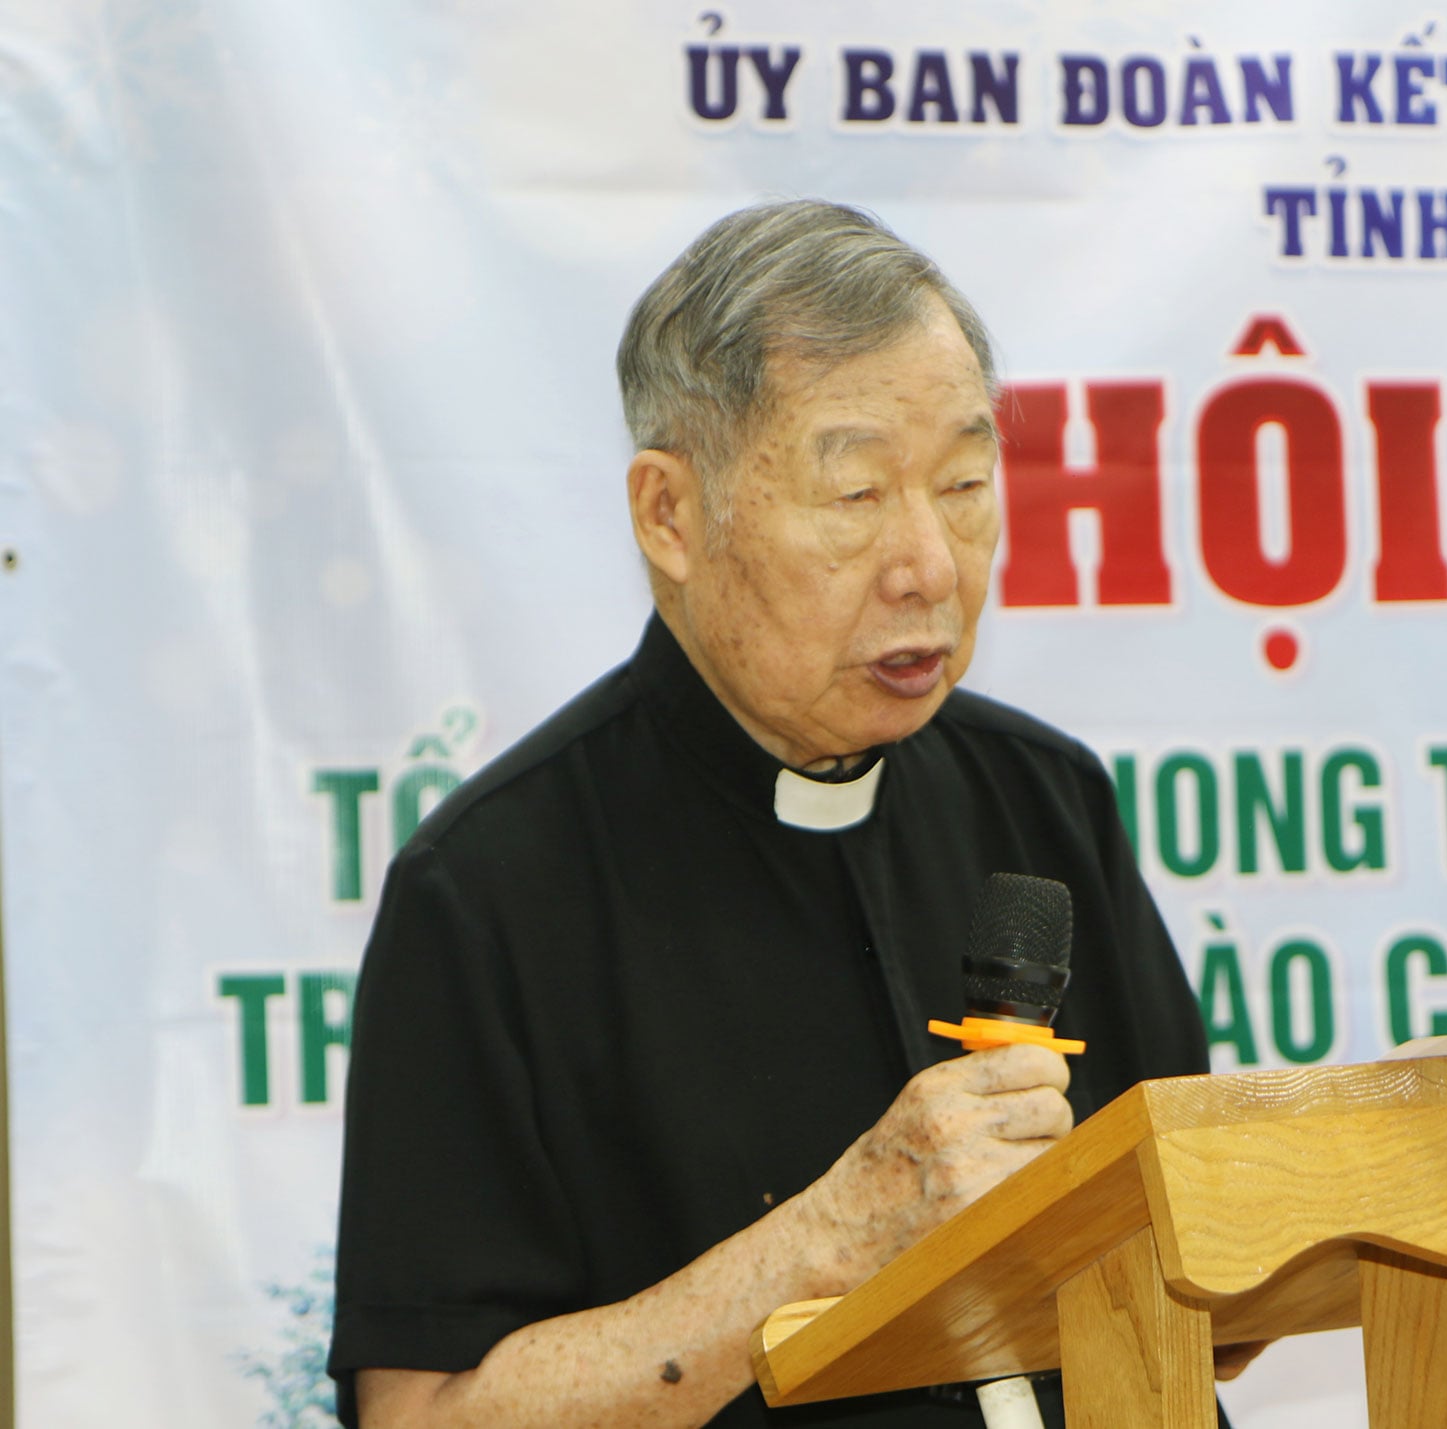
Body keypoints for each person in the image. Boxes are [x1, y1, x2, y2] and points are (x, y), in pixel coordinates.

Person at [328, 199, 1217, 1429]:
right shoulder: (489, 889)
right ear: (669, 516)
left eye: (963, 482)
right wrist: (832, 1235)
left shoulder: (1042, 797)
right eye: (853, 495)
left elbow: (1212, 1309)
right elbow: (420, 1415)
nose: (930, 563)